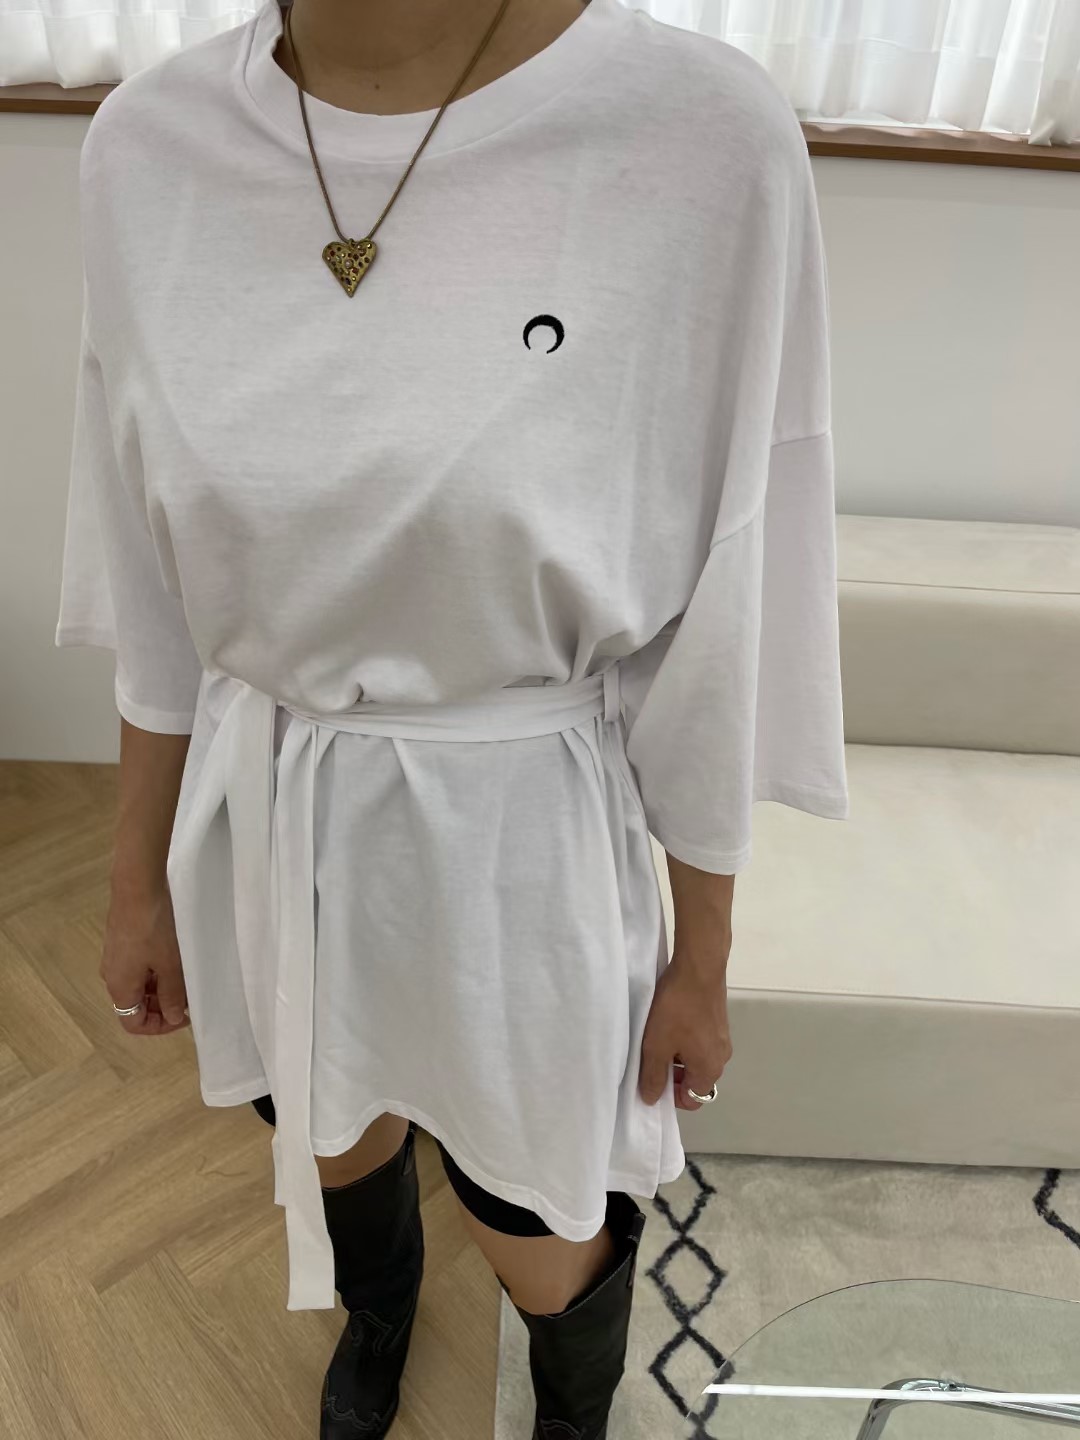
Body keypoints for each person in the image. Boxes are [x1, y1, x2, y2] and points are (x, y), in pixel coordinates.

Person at [53, 0, 849, 1434]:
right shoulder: (147, 147)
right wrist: (136, 880)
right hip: (267, 795)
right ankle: (380, 1311)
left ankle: (570, 1405)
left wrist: (703, 951)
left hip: (521, 825)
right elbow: (150, 569)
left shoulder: (700, 138)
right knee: (326, 1121)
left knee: (536, 1199)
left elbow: (730, 596)